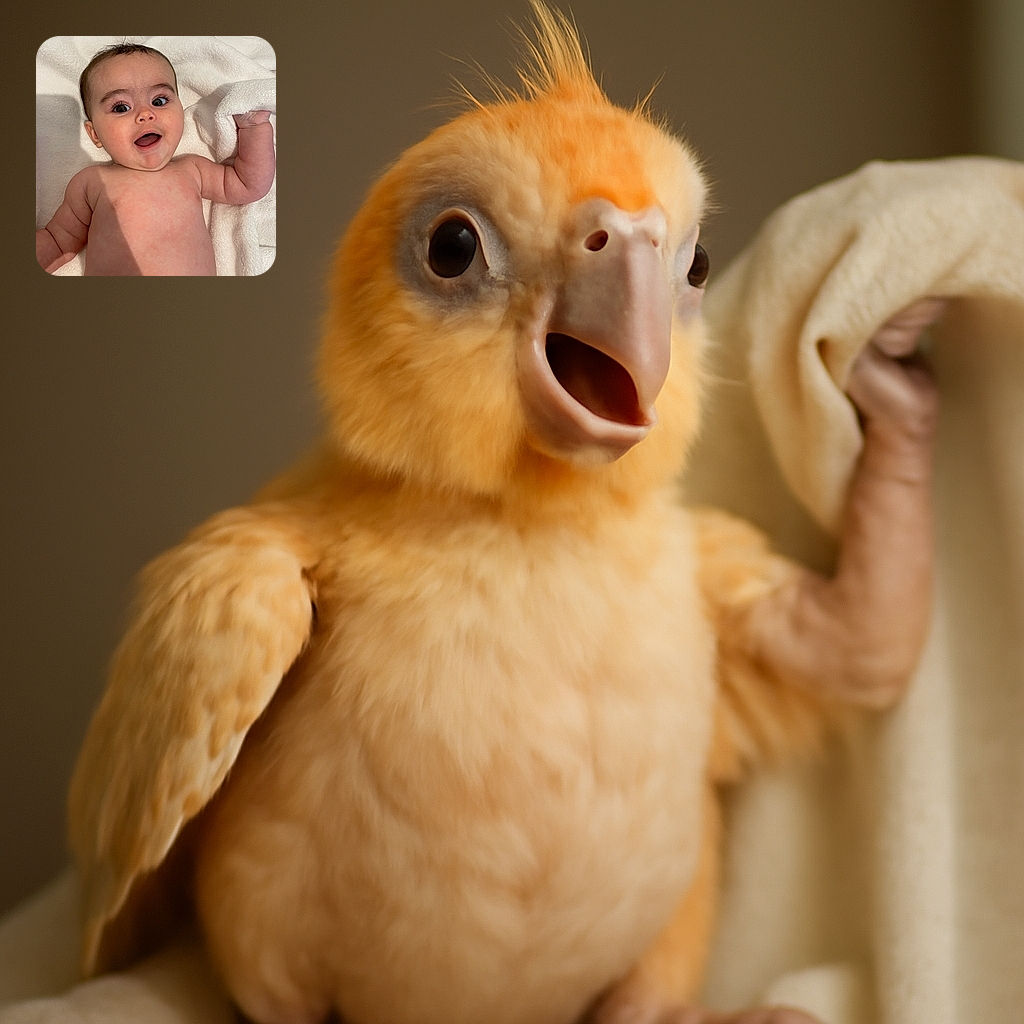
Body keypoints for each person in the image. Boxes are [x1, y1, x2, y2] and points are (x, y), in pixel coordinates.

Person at [36, 43, 275, 276]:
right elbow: (58, 241)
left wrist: (254, 129)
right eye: (121, 107)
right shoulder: (91, 182)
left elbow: (247, 184)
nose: (145, 114)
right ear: (95, 134)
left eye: (159, 101)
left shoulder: (192, 170)